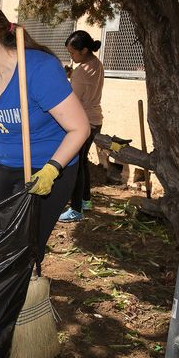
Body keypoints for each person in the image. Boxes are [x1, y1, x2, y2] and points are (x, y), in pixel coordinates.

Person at [0, 0, 90, 265]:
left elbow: (79, 128)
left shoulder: (39, 69)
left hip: (48, 167)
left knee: (24, 248)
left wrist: (52, 169)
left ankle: (20, 299)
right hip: (2, 162)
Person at [59, 31, 105, 222]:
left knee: (76, 166)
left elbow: (72, 100)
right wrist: (72, 77)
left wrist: (65, 79)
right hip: (95, 120)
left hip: (82, 122)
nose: (71, 57)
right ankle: (85, 200)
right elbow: (85, 89)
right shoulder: (96, 64)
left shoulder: (80, 72)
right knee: (83, 162)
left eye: (73, 53)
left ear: (84, 50)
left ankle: (76, 209)